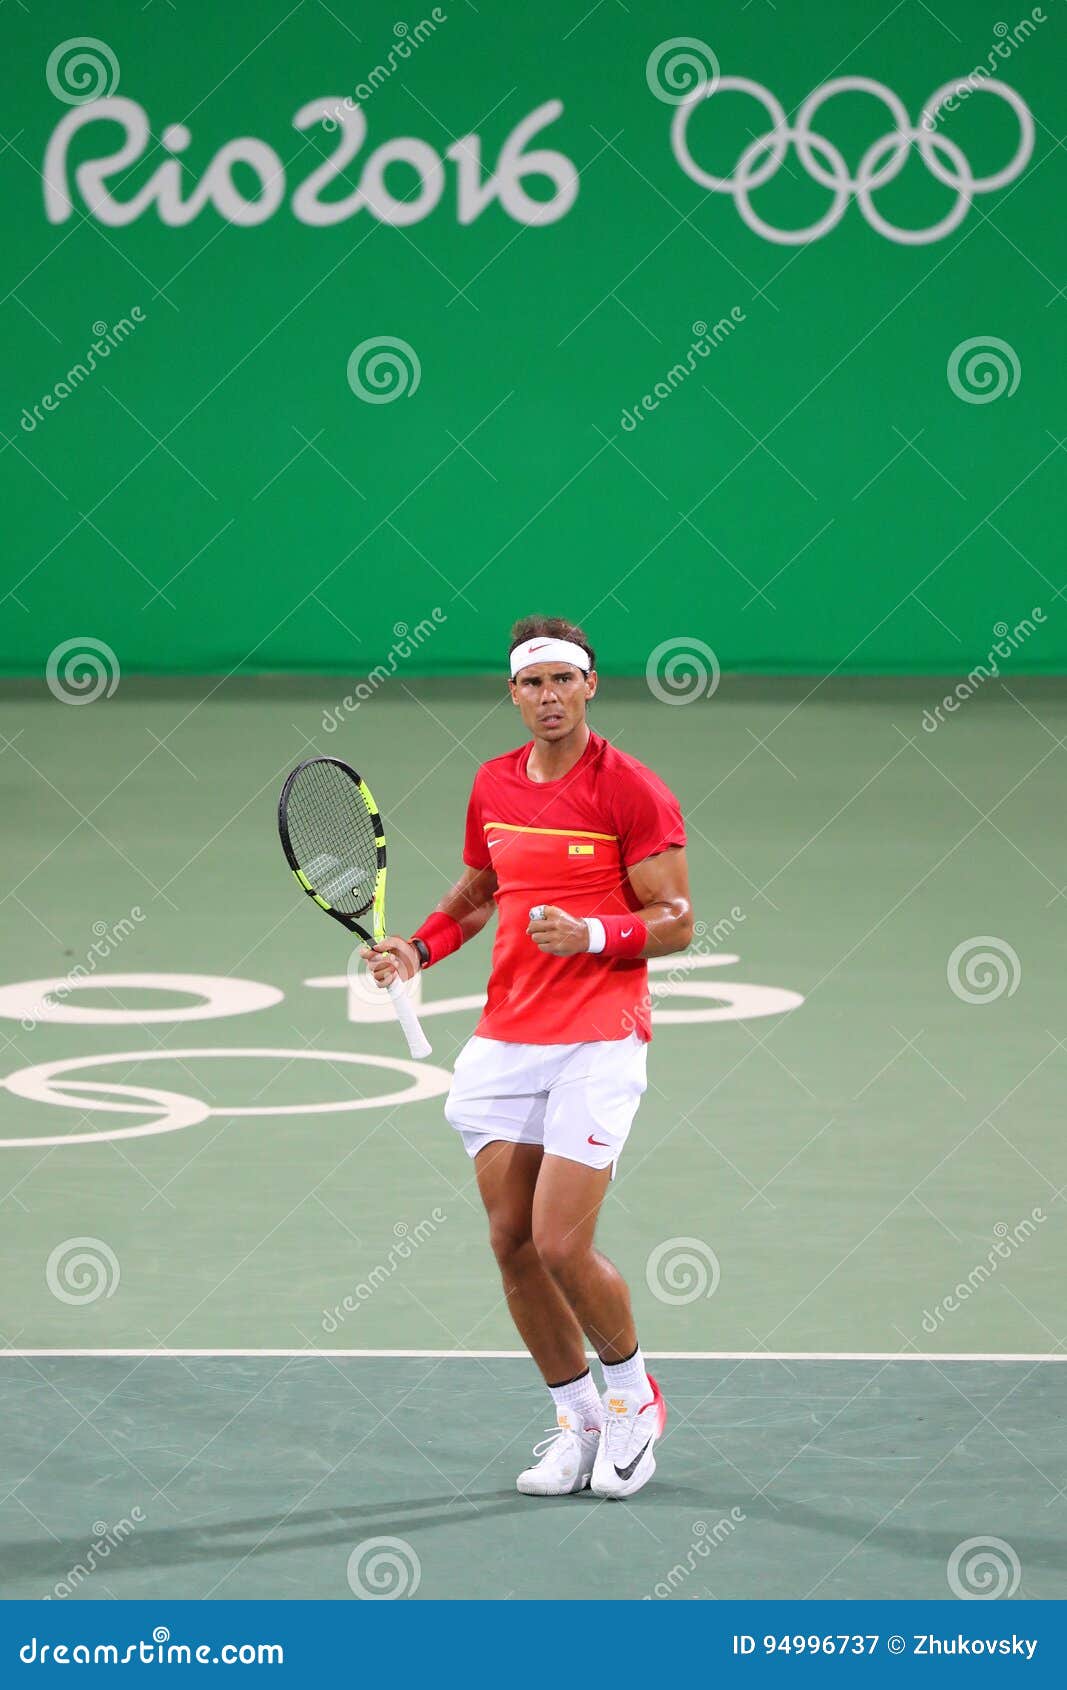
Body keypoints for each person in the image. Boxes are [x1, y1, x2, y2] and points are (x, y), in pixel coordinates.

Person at [361, 615, 693, 1499]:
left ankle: (632, 1398)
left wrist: (588, 933)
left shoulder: (630, 790)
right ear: (512, 694)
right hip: (506, 1041)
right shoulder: (492, 785)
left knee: (558, 1241)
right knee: (511, 1243)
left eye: (563, 680)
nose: (547, 697)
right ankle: (577, 1419)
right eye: (531, 683)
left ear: (591, 687)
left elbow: (677, 920)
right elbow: (477, 893)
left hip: (598, 1037)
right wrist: (418, 949)